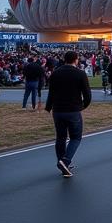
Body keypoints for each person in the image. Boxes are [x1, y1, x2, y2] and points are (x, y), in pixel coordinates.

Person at [45, 50, 92, 178]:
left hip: (58, 109)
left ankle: (61, 161)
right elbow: (87, 94)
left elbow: (51, 92)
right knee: (75, 137)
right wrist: (84, 105)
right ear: (76, 60)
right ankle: (65, 161)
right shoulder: (80, 73)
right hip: (73, 109)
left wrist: (48, 107)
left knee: (60, 137)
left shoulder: (56, 73)